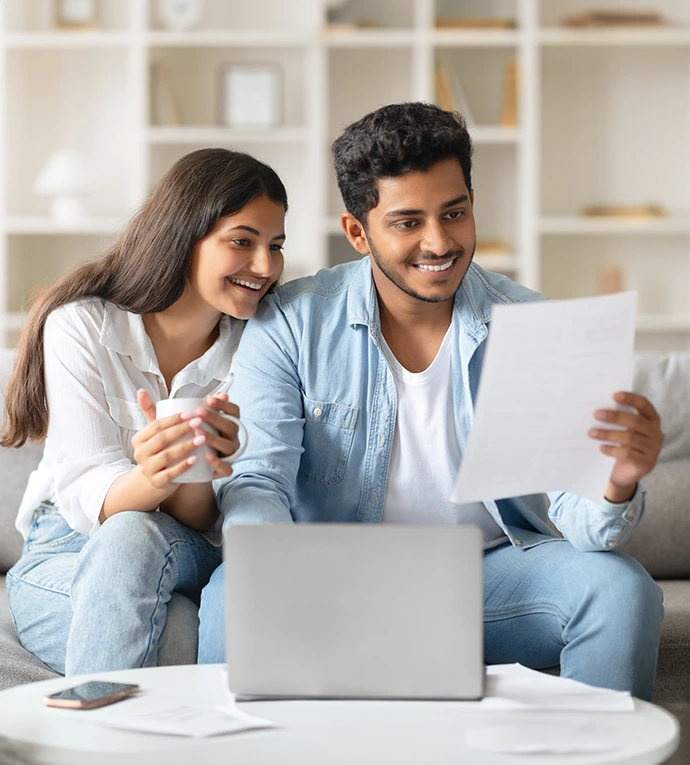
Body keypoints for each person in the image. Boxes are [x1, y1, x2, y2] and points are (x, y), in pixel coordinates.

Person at [197, 103, 665, 700]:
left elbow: (583, 522)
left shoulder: (530, 322)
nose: (439, 242)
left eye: (455, 213)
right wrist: (277, 573)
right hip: (333, 576)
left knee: (619, 589)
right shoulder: (289, 322)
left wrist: (617, 477)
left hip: (486, 579)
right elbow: (259, 480)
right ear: (358, 233)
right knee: (236, 591)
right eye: (408, 222)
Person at [1, 148, 288, 676]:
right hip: (68, 547)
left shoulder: (263, 344)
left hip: (190, 548)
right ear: (184, 236)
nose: (265, 266)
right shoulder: (82, 327)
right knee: (176, 632)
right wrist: (154, 476)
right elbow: (92, 491)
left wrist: (195, 471)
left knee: (140, 540)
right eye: (242, 241)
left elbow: (202, 520)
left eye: (276, 245)